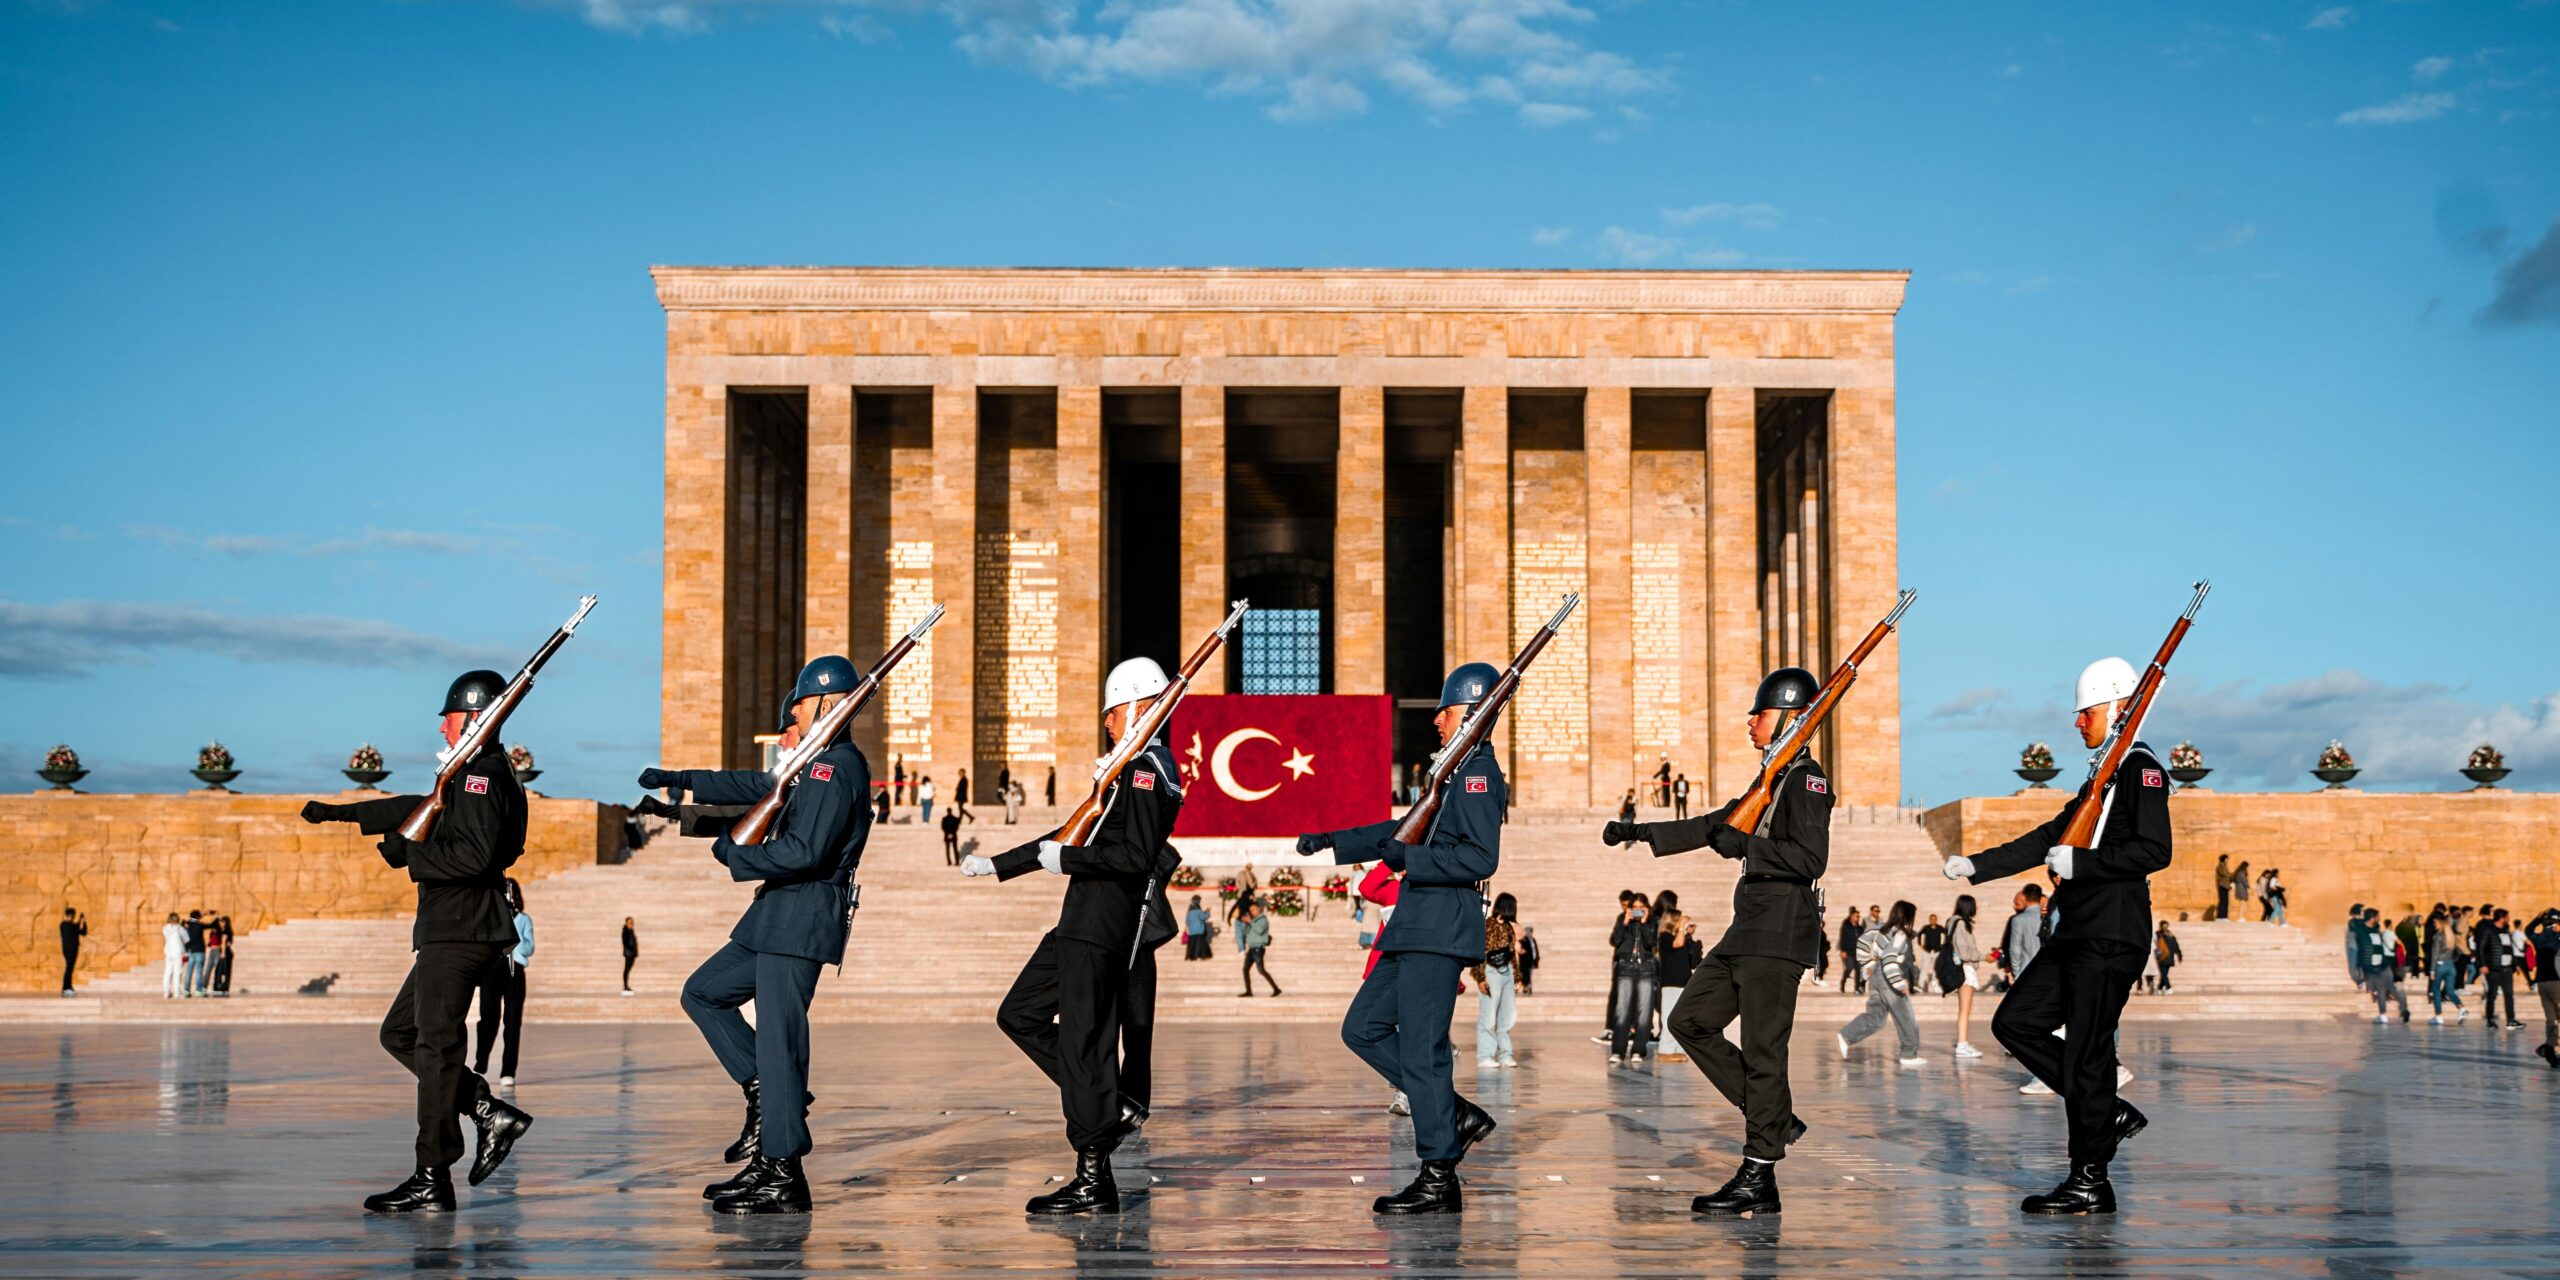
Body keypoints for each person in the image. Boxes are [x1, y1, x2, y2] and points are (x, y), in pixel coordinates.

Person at [639, 652, 875, 1214]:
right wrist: (680, 785)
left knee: (780, 1043)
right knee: (704, 992)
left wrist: (735, 855)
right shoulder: (814, 764)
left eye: (794, 714)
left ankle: (782, 1170)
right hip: (776, 918)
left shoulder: (835, 766)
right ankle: (763, 1095)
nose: (787, 728)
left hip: (799, 919)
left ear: (821, 705)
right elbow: (754, 786)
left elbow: (805, 850)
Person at [298, 668, 536, 1212]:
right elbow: (418, 804)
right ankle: (484, 1110)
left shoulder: (484, 777)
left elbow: (475, 857)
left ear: (474, 717)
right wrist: (346, 813)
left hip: (461, 927)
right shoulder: (473, 774)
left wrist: (408, 854)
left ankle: (432, 1175)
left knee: (434, 1045)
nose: (442, 730)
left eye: (448, 719)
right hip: (456, 927)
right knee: (401, 1033)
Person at [1941, 655, 2170, 1216]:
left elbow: (2154, 851)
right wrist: (1977, 865)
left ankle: (2089, 1179)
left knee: (2089, 1054)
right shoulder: (2103, 777)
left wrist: (2083, 864)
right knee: (2014, 1021)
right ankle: (2107, 1112)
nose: (2077, 723)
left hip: (2112, 934)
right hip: (2077, 934)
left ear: (2117, 707)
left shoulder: (2142, 770)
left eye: (2086, 712)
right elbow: (2049, 835)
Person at [1601, 663, 1830, 1217]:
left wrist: (1747, 849)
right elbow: (1713, 823)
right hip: (1746, 931)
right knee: (1688, 1021)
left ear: (1793, 719)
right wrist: (1640, 833)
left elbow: (1809, 858)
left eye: (1762, 712)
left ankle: (1758, 1173)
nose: (1750, 720)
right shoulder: (1772, 776)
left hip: (1778, 934)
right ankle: (1771, 1119)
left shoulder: (1805, 778)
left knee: (1763, 1053)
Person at [965, 656, 1185, 1216]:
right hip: (1080, 922)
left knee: (1085, 1041)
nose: (1106, 723)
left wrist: (1069, 859)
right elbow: (1072, 832)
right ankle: (1106, 1107)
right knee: (1020, 1013)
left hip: (1101, 925)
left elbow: (1133, 857)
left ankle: (1093, 1177)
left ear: (1137, 707)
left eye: (1112, 712)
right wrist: (1000, 864)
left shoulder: (1146, 769)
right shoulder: (1127, 765)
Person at [1296, 660, 1507, 1216]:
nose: (1436, 721)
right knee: (1361, 1028)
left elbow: (1481, 857)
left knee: (1422, 1052)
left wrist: (1408, 857)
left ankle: (1439, 1176)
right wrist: (1332, 841)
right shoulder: (1450, 773)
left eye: (1446, 711)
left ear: (1472, 712)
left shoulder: (1478, 773)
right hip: (1413, 926)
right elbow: (1396, 831)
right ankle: (1454, 1112)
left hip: (1438, 930)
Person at [1839, 900, 1925, 1065]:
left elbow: (1863, 941)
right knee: (1906, 1017)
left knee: (1876, 1017)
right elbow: (1889, 958)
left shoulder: (1881, 929)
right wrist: (1899, 984)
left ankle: (1846, 1035)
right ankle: (1909, 1054)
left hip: (1877, 976)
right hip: (1889, 976)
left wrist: (1869, 964)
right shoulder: (1900, 934)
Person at [473, 879, 534, 1087]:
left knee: (513, 1022)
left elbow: (529, 949)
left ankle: (508, 1071)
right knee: (488, 1019)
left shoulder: (524, 920)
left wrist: (513, 933)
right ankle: (481, 1062)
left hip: (515, 970)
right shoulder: (489, 916)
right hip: (492, 970)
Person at [1606, 892, 1659, 1065]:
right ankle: (1618, 1052)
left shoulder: (1652, 921)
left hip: (1645, 967)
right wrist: (1625, 922)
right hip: (1626, 967)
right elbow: (1615, 941)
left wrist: (1644, 923)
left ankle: (1638, 1050)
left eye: (1640, 908)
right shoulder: (1622, 918)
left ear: (1646, 908)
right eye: (1634, 908)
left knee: (1644, 1011)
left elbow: (1651, 943)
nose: (1637, 911)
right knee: (1622, 1010)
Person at [1474, 893, 1521, 1068]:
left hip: (1506, 971)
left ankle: (1505, 1053)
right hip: (1491, 971)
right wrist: (1480, 977)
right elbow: (1480, 952)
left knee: (1508, 1015)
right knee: (1488, 1016)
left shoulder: (1509, 927)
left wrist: (1517, 977)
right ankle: (1485, 1055)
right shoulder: (1488, 925)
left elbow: (1512, 953)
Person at [1656, 900, 1701, 1063]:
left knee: (1680, 1017)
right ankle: (1665, 1050)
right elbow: (1678, 943)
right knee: (1669, 1016)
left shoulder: (1682, 938)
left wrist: (1689, 936)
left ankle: (1677, 1048)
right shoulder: (1665, 937)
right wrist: (1682, 926)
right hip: (1671, 984)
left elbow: (1692, 960)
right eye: (1680, 920)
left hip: (1684, 983)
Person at [1942, 895, 1984, 1055]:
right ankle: (1962, 1044)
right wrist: (1982, 957)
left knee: (1964, 1009)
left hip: (1961, 967)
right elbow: (1964, 952)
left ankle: (1963, 1043)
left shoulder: (1953, 922)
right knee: (1965, 1010)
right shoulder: (1960, 923)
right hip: (1964, 969)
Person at [2351, 907, 2405, 1023]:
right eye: (2377, 916)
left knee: (2387, 987)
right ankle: (2384, 1013)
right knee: (2381, 989)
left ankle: (2389, 1011)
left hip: (2383, 964)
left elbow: (2378, 947)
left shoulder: (2376, 929)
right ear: (2372, 918)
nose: (2379, 918)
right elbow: (2363, 951)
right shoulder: (2362, 932)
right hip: (2372, 966)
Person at [2527, 909, 2560, 1068]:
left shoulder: (2539, 939)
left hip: (2542, 983)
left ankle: (2549, 1049)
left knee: (2550, 1018)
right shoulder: (2557, 939)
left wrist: (2537, 918)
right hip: (2556, 982)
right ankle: (2551, 1048)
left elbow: (2528, 931)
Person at [2484, 907, 2526, 1030]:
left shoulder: (2507, 930)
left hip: (2507, 968)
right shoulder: (2489, 930)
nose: (2509, 919)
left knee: (2509, 994)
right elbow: (2481, 948)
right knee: (2492, 995)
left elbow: (2509, 948)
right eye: (2507, 917)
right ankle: (2490, 1019)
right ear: (2502, 918)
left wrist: (2515, 963)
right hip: (2494, 968)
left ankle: (2511, 1020)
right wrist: (2482, 964)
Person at [1238, 900, 1281, 996]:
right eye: (1251, 911)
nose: (1252, 912)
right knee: (1245, 970)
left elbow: (1260, 930)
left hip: (1258, 948)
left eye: (1254, 910)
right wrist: (1245, 923)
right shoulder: (1252, 921)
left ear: (1259, 909)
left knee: (1261, 970)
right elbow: (1245, 932)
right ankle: (1248, 991)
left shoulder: (1263, 920)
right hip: (1251, 948)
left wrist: (1250, 922)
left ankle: (1276, 988)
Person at [2005, 885, 2047, 981]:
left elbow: (2015, 948)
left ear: (2024, 898)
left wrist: (2016, 971)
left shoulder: (2019, 920)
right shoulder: (2050, 917)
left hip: (2027, 969)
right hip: (2049, 969)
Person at [1836, 906, 1865, 993]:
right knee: (1849, 967)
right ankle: (1843, 982)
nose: (1858, 918)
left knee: (1858, 970)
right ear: (1851, 916)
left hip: (1858, 952)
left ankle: (1856, 988)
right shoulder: (1846, 927)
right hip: (1848, 952)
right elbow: (1842, 939)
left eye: (1859, 916)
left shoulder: (1860, 929)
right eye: (1856, 916)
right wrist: (1842, 950)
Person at [1917, 913, 1947, 995]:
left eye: (1934, 919)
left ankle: (1935, 985)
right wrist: (1921, 945)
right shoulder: (1926, 928)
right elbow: (1919, 935)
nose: (1933, 920)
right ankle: (1920, 986)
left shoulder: (1940, 928)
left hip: (1936, 951)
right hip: (1927, 951)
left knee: (1936, 969)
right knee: (1924, 968)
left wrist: (1943, 946)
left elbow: (1946, 934)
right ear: (1929, 920)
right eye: (1931, 919)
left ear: (1936, 920)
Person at [59, 907, 87, 997]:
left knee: (69, 968)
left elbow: (80, 930)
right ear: (71, 915)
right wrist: (83, 921)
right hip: (71, 949)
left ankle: (68, 987)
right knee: (69, 968)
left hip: (67, 949)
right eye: (73, 916)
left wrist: (81, 921)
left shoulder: (63, 925)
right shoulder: (69, 926)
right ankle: (66, 988)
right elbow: (81, 931)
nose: (74, 917)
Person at [182, 910, 208, 998]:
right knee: (199, 971)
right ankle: (198, 990)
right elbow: (210, 925)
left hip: (190, 950)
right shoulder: (200, 925)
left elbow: (184, 924)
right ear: (198, 916)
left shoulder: (186, 924)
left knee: (189, 971)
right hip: (200, 950)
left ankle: (186, 990)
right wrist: (216, 918)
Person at [161, 913, 185, 998]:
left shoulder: (165, 928)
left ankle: (166, 992)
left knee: (167, 973)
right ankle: (177, 992)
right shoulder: (180, 928)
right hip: (178, 953)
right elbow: (187, 939)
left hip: (168, 953)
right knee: (177, 973)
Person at [213, 914, 235, 995]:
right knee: (227, 971)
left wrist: (222, 953)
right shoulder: (230, 931)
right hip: (229, 952)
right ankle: (226, 988)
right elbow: (230, 942)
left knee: (219, 971)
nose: (221, 923)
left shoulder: (225, 931)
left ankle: (219, 987)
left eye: (222, 922)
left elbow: (223, 942)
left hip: (225, 952)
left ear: (225, 922)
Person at [1517, 924, 1540, 996]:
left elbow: (1535, 950)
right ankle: (1526, 988)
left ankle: (1527, 988)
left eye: (1531, 931)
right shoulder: (1523, 940)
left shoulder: (1533, 940)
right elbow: (1521, 949)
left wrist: (1537, 958)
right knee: (1526, 975)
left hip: (1532, 960)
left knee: (1529, 975)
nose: (1530, 933)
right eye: (1529, 931)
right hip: (1526, 961)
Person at [2213, 854, 2233, 922]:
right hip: (2222, 886)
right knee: (2223, 902)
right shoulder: (2220, 866)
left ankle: (2224, 916)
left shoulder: (2224, 866)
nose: (2227, 861)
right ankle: (2220, 917)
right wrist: (2228, 873)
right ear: (2224, 859)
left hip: (2226, 886)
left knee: (2226, 902)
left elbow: (2227, 875)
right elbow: (2224, 874)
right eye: (2227, 859)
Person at [621, 917, 638, 996]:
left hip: (632, 954)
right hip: (628, 954)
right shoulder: (626, 932)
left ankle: (626, 986)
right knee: (626, 970)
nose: (631, 924)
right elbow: (626, 943)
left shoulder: (631, 931)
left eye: (632, 922)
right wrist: (631, 948)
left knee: (627, 969)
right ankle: (625, 986)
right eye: (629, 923)